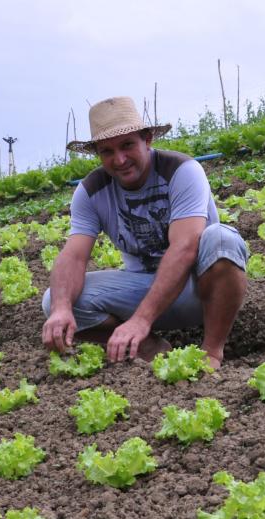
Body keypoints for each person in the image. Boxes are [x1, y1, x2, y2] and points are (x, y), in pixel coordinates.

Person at [41, 96, 248, 369]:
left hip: (197, 291)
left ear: (147, 139)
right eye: (107, 151)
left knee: (223, 239)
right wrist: (61, 309)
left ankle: (211, 353)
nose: (120, 159)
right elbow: (74, 256)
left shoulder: (181, 171)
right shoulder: (90, 192)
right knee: (54, 299)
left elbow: (185, 246)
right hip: (143, 287)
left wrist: (141, 319)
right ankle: (150, 347)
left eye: (127, 145)